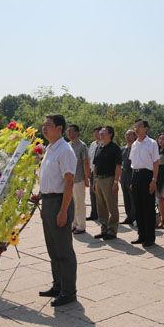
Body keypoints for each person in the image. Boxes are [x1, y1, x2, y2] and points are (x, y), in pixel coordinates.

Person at [38, 113, 78, 307]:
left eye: (48, 125)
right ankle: (58, 285)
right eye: (43, 125)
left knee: (64, 249)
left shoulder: (65, 150)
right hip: (47, 202)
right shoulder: (49, 149)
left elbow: (69, 182)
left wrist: (63, 211)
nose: (44, 128)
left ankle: (69, 291)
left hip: (60, 202)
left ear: (60, 129)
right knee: (53, 248)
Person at [129, 119, 160, 247]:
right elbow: (133, 164)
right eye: (135, 127)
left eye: (139, 127)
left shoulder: (151, 143)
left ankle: (150, 237)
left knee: (148, 208)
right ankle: (141, 235)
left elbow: (156, 163)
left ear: (145, 128)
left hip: (147, 176)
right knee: (138, 207)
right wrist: (132, 181)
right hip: (136, 175)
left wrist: (154, 180)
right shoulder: (135, 144)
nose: (136, 129)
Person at [92, 126, 122, 240]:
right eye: (100, 132)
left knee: (112, 206)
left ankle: (112, 231)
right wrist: (94, 182)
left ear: (110, 134)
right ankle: (103, 229)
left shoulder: (114, 148)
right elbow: (95, 166)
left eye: (103, 132)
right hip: (99, 179)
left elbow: (118, 166)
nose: (100, 133)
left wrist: (115, 182)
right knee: (101, 207)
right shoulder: (98, 147)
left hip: (109, 179)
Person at [66, 124, 90, 235]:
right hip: (68, 180)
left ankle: (81, 225)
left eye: (71, 131)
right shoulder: (67, 145)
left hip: (79, 178)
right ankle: (73, 224)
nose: (68, 133)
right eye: (67, 131)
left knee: (79, 203)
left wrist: (86, 178)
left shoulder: (82, 146)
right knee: (71, 203)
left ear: (77, 132)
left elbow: (86, 162)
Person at [120, 130, 136, 225]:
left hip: (132, 172)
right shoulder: (122, 149)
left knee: (132, 196)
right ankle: (128, 216)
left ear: (134, 136)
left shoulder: (136, 148)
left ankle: (134, 217)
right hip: (123, 173)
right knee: (125, 196)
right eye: (126, 135)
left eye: (130, 134)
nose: (128, 136)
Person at [86, 127, 102, 221]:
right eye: (94, 133)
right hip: (92, 172)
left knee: (100, 194)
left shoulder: (103, 144)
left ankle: (101, 214)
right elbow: (89, 159)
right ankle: (94, 213)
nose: (96, 135)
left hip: (100, 173)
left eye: (97, 133)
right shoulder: (92, 144)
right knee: (92, 193)